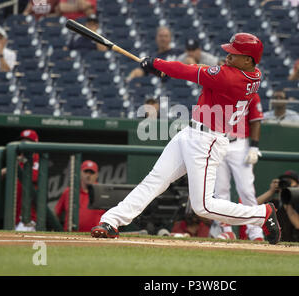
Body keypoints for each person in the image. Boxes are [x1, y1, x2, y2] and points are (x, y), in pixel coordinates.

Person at [91, 32, 281, 244]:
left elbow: (188, 71)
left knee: (203, 206)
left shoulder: (230, 77)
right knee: (155, 180)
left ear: (248, 60)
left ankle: (261, 214)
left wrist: (156, 63)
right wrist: (164, 70)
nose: (227, 55)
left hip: (207, 141)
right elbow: (206, 80)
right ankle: (111, 221)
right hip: (191, 133)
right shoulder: (252, 74)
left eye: (234, 54)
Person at [210, 91, 265, 241]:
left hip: (239, 143)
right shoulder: (216, 87)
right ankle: (226, 229)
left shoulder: (249, 90)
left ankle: (255, 231)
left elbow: (256, 120)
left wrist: (254, 147)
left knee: (246, 190)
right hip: (218, 140)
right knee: (220, 190)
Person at [0, 130, 40, 231]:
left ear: (35, 143)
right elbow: (1, 174)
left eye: (28, 141)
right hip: (14, 215)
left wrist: (15, 165)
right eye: (22, 141)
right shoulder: (17, 161)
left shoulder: (37, 159)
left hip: (29, 218)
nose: (24, 144)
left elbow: (33, 177)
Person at [257, 170, 299, 242]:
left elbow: (298, 225)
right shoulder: (275, 203)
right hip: (273, 243)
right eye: (284, 182)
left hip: (295, 244)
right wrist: (271, 191)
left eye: (290, 182)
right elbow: (253, 206)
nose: (286, 185)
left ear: (298, 186)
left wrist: (287, 198)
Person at [55, 160, 106, 232]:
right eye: (86, 172)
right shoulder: (70, 191)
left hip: (97, 236)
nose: (88, 175)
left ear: (96, 175)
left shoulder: (103, 192)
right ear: (80, 173)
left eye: (92, 172)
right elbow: (56, 213)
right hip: (71, 236)